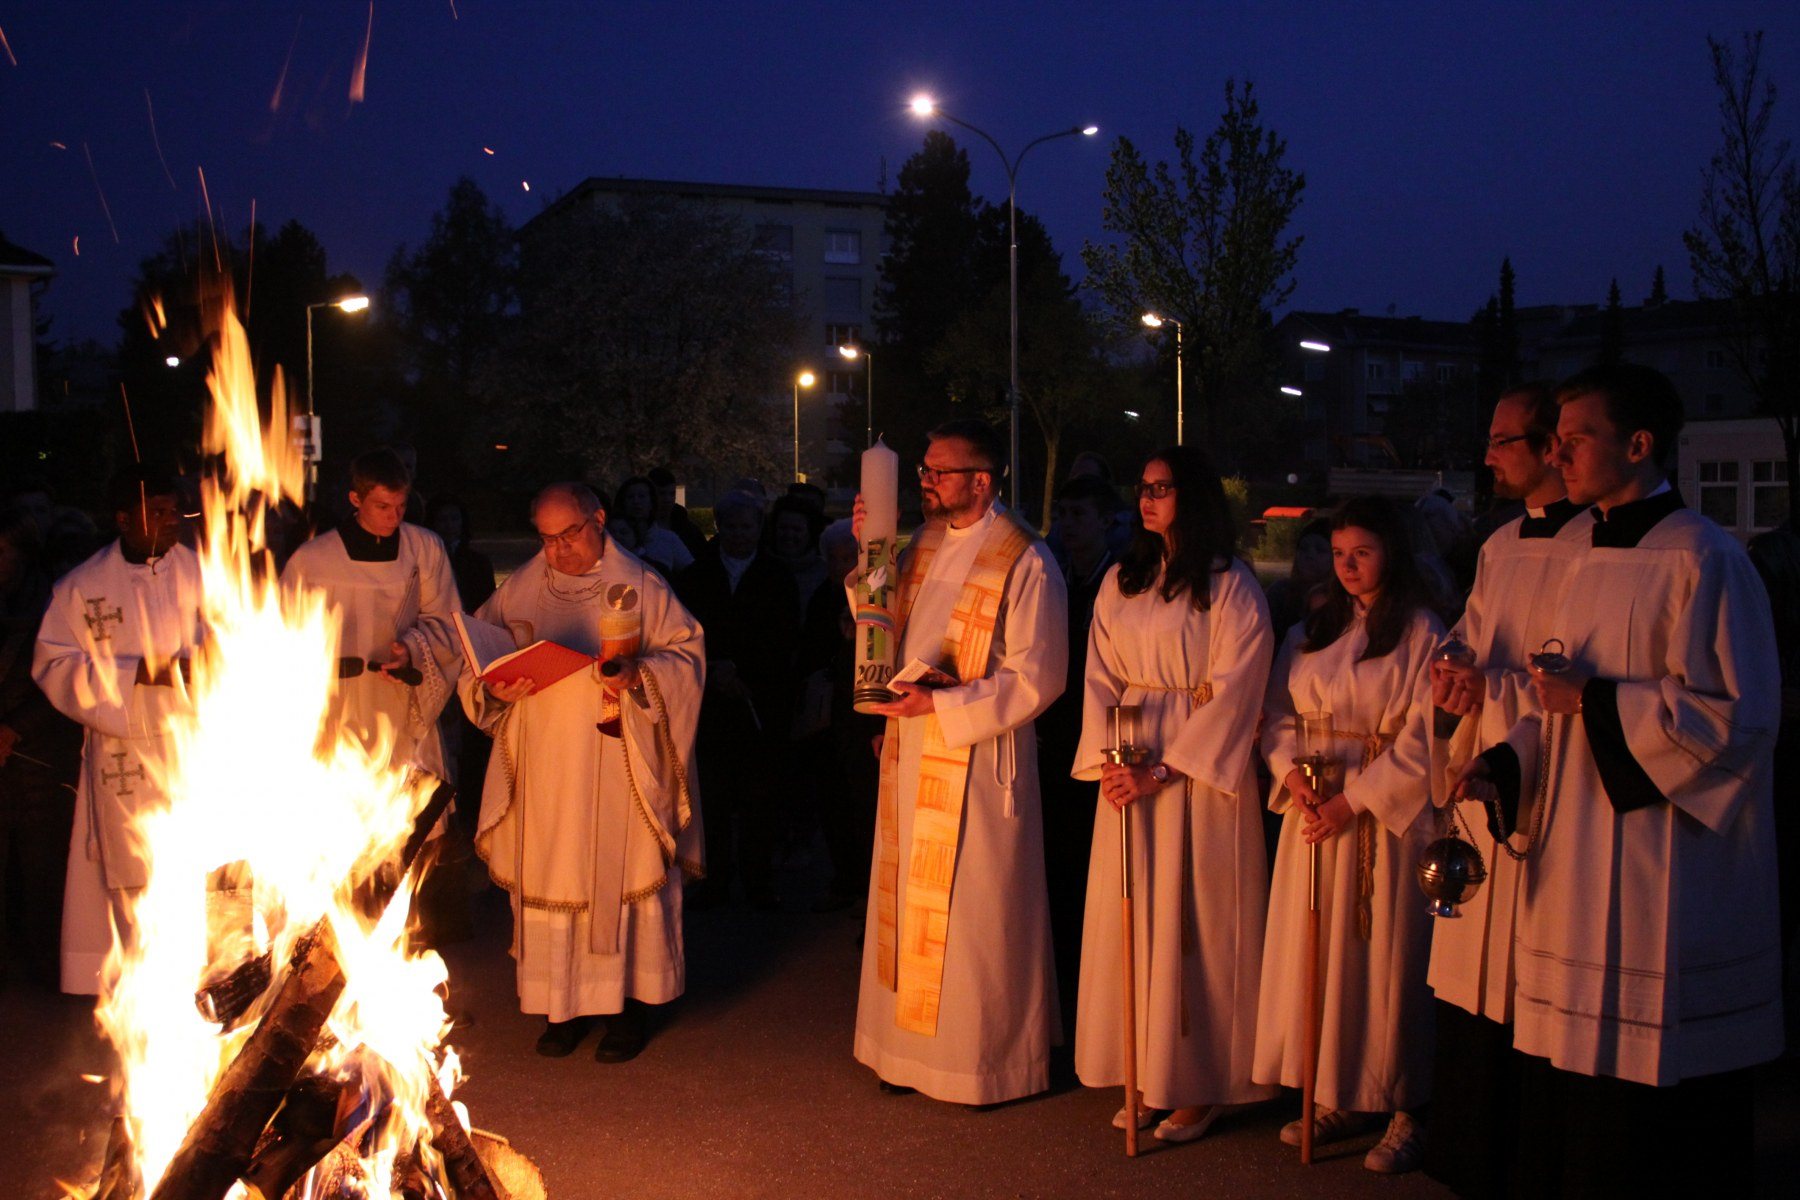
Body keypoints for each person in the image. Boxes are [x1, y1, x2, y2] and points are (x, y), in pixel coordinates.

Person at [1451, 364, 1783, 1196]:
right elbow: (1551, 699)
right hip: (1573, 850)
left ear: (1640, 445)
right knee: (1570, 1083)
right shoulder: (1576, 561)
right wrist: (1501, 760)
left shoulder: (1705, 559)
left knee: (1646, 1087)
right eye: (1554, 440)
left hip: (1653, 857)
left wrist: (1597, 700)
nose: (1558, 455)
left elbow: (1737, 719)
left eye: (1577, 438)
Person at [852, 418, 1067, 1105]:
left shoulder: (1026, 558)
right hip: (913, 746)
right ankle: (905, 1053)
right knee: (905, 905)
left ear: (982, 480)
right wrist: (868, 551)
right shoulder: (918, 546)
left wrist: (944, 708)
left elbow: (1041, 676)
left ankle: (982, 1064)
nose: (925, 483)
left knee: (972, 915)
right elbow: (876, 618)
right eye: (921, 472)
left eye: (936, 473)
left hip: (978, 757)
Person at [1071, 447, 1277, 1142]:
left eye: (1164, 487)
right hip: (1130, 754)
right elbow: (1098, 670)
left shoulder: (1229, 583)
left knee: (1194, 921)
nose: (1149, 497)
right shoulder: (1124, 579)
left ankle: (1199, 1078)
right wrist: (1111, 757)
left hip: (1194, 770)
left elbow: (1240, 687)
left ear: (1193, 496)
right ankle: (1142, 1068)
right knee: (1135, 916)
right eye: (1144, 486)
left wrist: (1166, 770)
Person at [458, 483, 704, 1063]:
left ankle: (627, 1011)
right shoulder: (521, 585)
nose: (557, 550)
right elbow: (480, 657)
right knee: (550, 873)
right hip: (543, 767)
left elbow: (688, 659)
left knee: (615, 878)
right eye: (546, 538)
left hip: (617, 761)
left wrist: (638, 675)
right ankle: (559, 1010)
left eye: (568, 534)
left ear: (598, 519)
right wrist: (498, 687)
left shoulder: (642, 586)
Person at [1421, 383, 1591, 1197]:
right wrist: (1453, 663)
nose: (1487, 456)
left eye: (1502, 441)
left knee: (1535, 969)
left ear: (1549, 445)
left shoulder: (1600, 543)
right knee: (1473, 965)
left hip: (1555, 769)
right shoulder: (1499, 543)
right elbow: (1475, 629)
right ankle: (1469, 1146)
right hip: (1490, 753)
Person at [1255, 495, 1443, 1174]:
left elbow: (1424, 738)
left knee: (1381, 959)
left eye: (1362, 552)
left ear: (1392, 550)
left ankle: (1404, 1101)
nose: (1349, 567)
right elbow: (1276, 714)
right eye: (1338, 554)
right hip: (1314, 812)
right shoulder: (1313, 628)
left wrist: (1355, 801)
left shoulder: (1422, 632)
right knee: (1322, 959)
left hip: (1379, 827)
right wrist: (1293, 778)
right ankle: (1342, 1087)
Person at [32, 467, 204, 994]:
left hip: (193, 744)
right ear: (124, 518)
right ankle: (137, 991)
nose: (172, 522)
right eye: (158, 513)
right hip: (121, 753)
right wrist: (140, 673)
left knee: (198, 867)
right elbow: (53, 666)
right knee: (130, 872)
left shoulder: (206, 575)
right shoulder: (81, 588)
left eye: (176, 511)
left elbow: (240, 635)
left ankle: (203, 975)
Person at [281, 449, 464, 783]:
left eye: (401, 506)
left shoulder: (424, 548)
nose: (394, 517)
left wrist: (411, 649)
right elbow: (284, 634)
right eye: (382, 506)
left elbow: (450, 625)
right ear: (355, 498)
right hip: (336, 705)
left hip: (401, 701)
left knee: (409, 811)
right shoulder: (313, 560)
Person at [674, 490, 799, 910]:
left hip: (758, 703)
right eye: (732, 526)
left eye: (747, 527)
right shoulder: (695, 576)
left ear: (758, 529)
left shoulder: (777, 577)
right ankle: (716, 880)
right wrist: (713, 668)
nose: (739, 534)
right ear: (719, 528)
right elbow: (683, 634)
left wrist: (746, 674)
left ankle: (759, 881)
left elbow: (783, 638)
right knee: (713, 798)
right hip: (711, 706)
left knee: (759, 800)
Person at [1035, 473, 1121, 1060]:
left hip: (1095, 732)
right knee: (1057, 869)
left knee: (1088, 868)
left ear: (1105, 521)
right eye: (1062, 513)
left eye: (1080, 513)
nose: (1068, 524)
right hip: (1052, 732)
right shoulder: (1053, 572)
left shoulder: (1116, 578)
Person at [0, 511, 82, 987]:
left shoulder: (48, 602)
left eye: (3, 552)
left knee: (41, 869)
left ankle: (46, 969)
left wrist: (15, 727)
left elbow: (57, 677)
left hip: (38, 757)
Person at [1263, 517, 1332, 645]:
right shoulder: (1280, 593)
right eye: (1303, 548)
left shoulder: (1340, 602)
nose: (1310, 555)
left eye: (1320, 550)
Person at [427, 495, 497, 614]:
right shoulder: (425, 560)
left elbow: (487, 602)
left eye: (454, 519)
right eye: (442, 520)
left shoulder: (478, 562)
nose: (449, 525)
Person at [611, 476, 693, 577]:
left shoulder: (668, 539)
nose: (636, 501)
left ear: (652, 502)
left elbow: (691, 571)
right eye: (630, 497)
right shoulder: (613, 537)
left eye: (642, 496)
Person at [648, 466, 707, 560]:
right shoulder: (636, 530)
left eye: (672, 494)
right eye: (661, 493)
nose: (667, 499)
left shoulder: (690, 532)